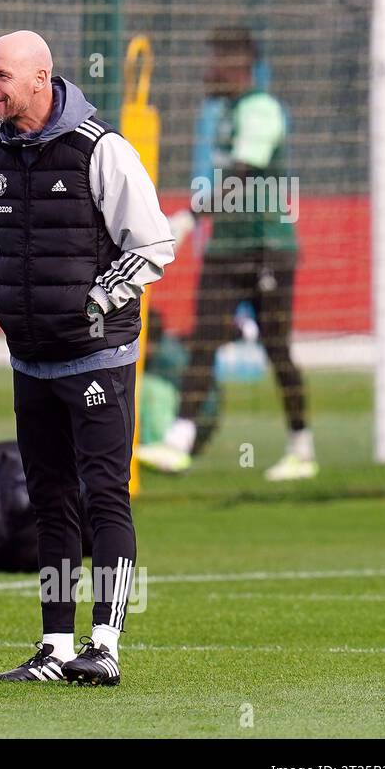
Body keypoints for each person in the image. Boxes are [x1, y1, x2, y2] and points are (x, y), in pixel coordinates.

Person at [0, 31, 174, 686]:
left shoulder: (102, 150)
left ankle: (105, 646)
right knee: (49, 500)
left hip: (97, 359)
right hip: (30, 360)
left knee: (104, 496)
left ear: (40, 79)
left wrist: (94, 303)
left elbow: (154, 245)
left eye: (0, 76)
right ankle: (56, 647)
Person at [136, 26, 314, 481]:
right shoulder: (225, 112)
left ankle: (301, 447)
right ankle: (180, 441)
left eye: (215, 59)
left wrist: (193, 215)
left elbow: (243, 175)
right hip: (225, 248)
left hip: (266, 249)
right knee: (204, 341)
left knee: (277, 348)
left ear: (238, 65)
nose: (207, 69)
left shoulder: (261, 110)